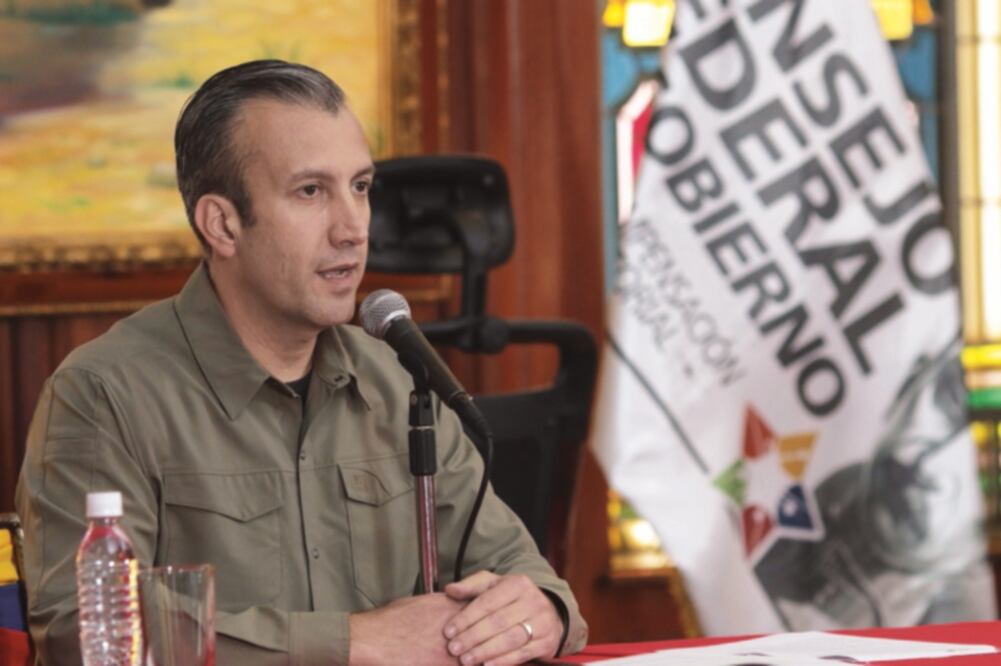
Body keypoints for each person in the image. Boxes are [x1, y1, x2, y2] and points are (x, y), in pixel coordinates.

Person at [16, 59, 587, 665]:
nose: (352, 229)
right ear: (223, 224)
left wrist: (539, 614)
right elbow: (82, 635)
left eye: (360, 187)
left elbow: (526, 576)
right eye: (311, 191)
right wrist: (354, 643)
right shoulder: (103, 394)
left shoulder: (396, 379)